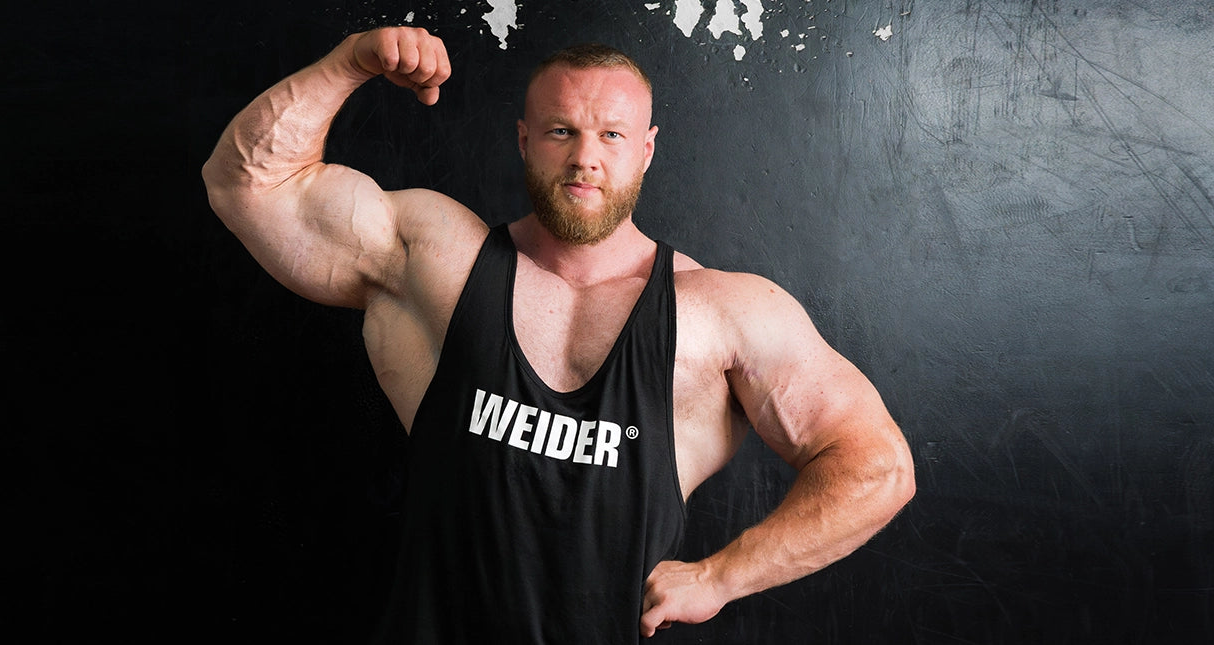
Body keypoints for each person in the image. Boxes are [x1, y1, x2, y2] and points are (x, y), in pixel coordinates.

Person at [202, 26, 915, 643]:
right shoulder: (439, 260)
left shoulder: (720, 314)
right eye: (560, 131)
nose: (584, 158)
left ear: (646, 150)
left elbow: (877, 466)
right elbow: (245, 186)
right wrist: (351, 61)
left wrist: (721, 577)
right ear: (525, 140)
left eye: (611, 135)